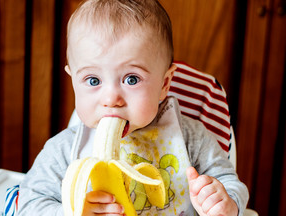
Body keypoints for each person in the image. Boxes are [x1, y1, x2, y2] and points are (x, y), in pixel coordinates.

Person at [18, 0, 249, 215]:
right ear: (73, 82)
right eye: (93, 80)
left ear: (164, 83)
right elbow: (28, 203)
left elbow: (230, 182)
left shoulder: (190, 138)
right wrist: (71, 211)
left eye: (131, 79)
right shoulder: (64, 151)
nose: (111, 98)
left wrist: (224, 202)